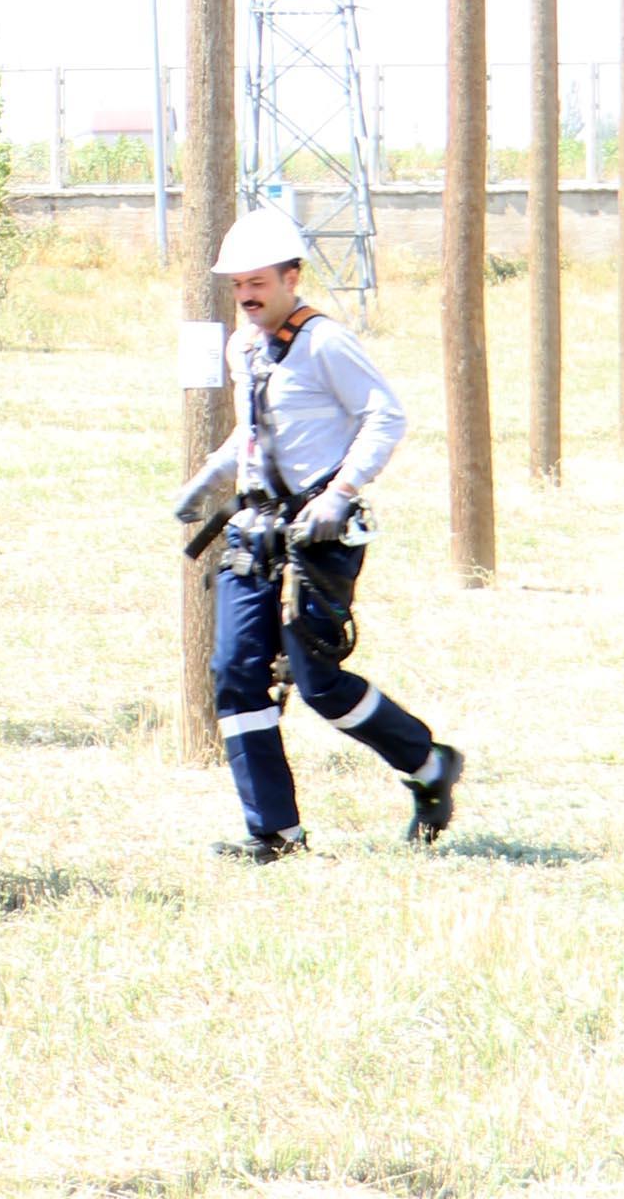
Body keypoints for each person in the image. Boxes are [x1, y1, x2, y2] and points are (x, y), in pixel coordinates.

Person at [173, 208, 461, 860]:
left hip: (319, 535)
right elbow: (254, 434)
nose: (246, 295)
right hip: (256, 532)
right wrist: (212, 475)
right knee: (235, 671)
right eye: (238, 283)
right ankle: (272, 830)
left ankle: (428, 764)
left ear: (290, 277)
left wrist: (339, 493)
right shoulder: (241, 346)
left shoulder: (324, 342)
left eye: (258, 282)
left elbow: (385, 418)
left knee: (320, 682)